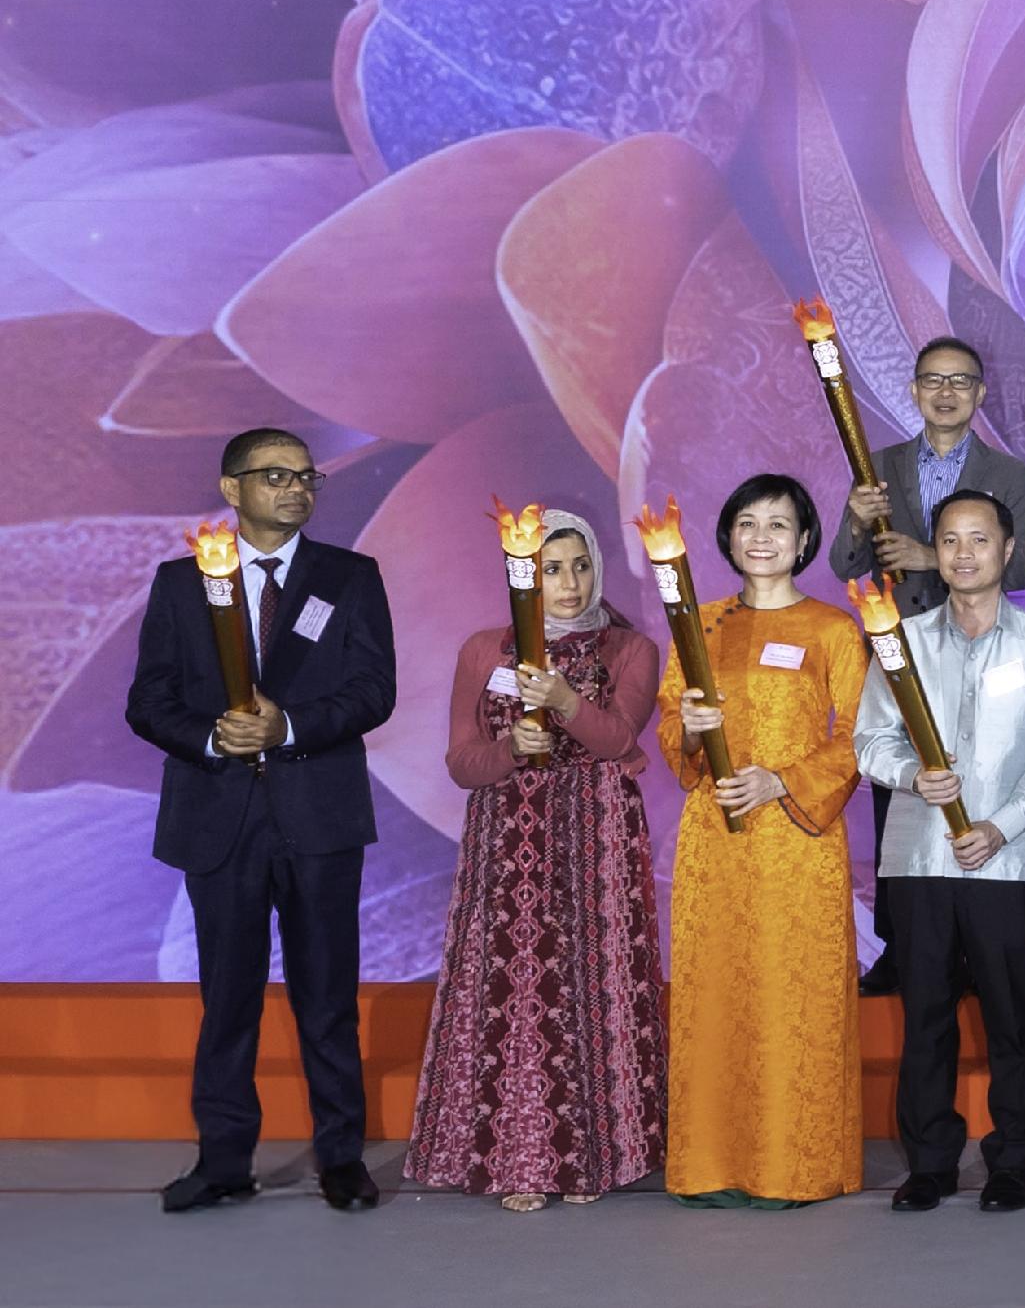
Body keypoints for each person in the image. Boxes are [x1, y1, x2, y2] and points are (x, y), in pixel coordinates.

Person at [130, 427, 396, 1214]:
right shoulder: (180, 583)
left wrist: (287, 725)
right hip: (220, 815)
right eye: (274, 474)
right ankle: (222, 1159)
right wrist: (217, 733)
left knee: (326, 996)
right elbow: (149, 700)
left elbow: (373, 691)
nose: (294, 487)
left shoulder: (349, 576)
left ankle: (341, 1156)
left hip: (319, 814)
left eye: (305, 476)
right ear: (230, 488)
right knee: (229, 996)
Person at [407, 508, 665, 1211]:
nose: (571, 583)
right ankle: (522, 1157)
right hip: (507, 838)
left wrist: (562, 699)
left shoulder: (632, 648)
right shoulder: (483, 650)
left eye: (580, 566)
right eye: (552, 569)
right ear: (525, 576)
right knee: (517, 984)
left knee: (595, 982)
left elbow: (616, 738)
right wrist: (508, 753)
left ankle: (598, 1157)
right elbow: (462, 762)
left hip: (596, 833)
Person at [854, 489, 1025, 1213]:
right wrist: (909, 775)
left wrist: (1004, 822)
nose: (963, 553)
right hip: (919, 857)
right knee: (924, 1015)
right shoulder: (902, 639)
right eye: (950, 540)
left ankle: (1013, 1160)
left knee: (1011, 1016)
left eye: (979, 540)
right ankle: (930, 1162)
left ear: (1008, 550)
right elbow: (871, 739)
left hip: (1004, 859)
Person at [656, 474, 867, 1208]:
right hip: (715, 841)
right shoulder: (700, 625)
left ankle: (794, 1165)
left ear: (806, 539)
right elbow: (668, 733)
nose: (763, 537)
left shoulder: (834, 629)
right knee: (716, 996)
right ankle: (710, 1163)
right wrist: (685, 724)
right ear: (727, 537)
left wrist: (782, 780)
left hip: (798, 842)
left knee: (792, 996)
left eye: (780, 524)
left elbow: (858, 740)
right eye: (748, 523)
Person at [833, 335, 1025, 993]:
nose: (946, 392)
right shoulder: (880, 464)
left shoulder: (1008, 472)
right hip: (902, 656)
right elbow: (843, 566)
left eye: (960, 381)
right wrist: (853, 517)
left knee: (982, 783)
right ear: (915, 391)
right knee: (901, 797)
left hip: (982, 651)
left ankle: (979, 943)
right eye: (933, 380)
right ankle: (901, 946)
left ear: (979, 395)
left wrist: (930, 554)